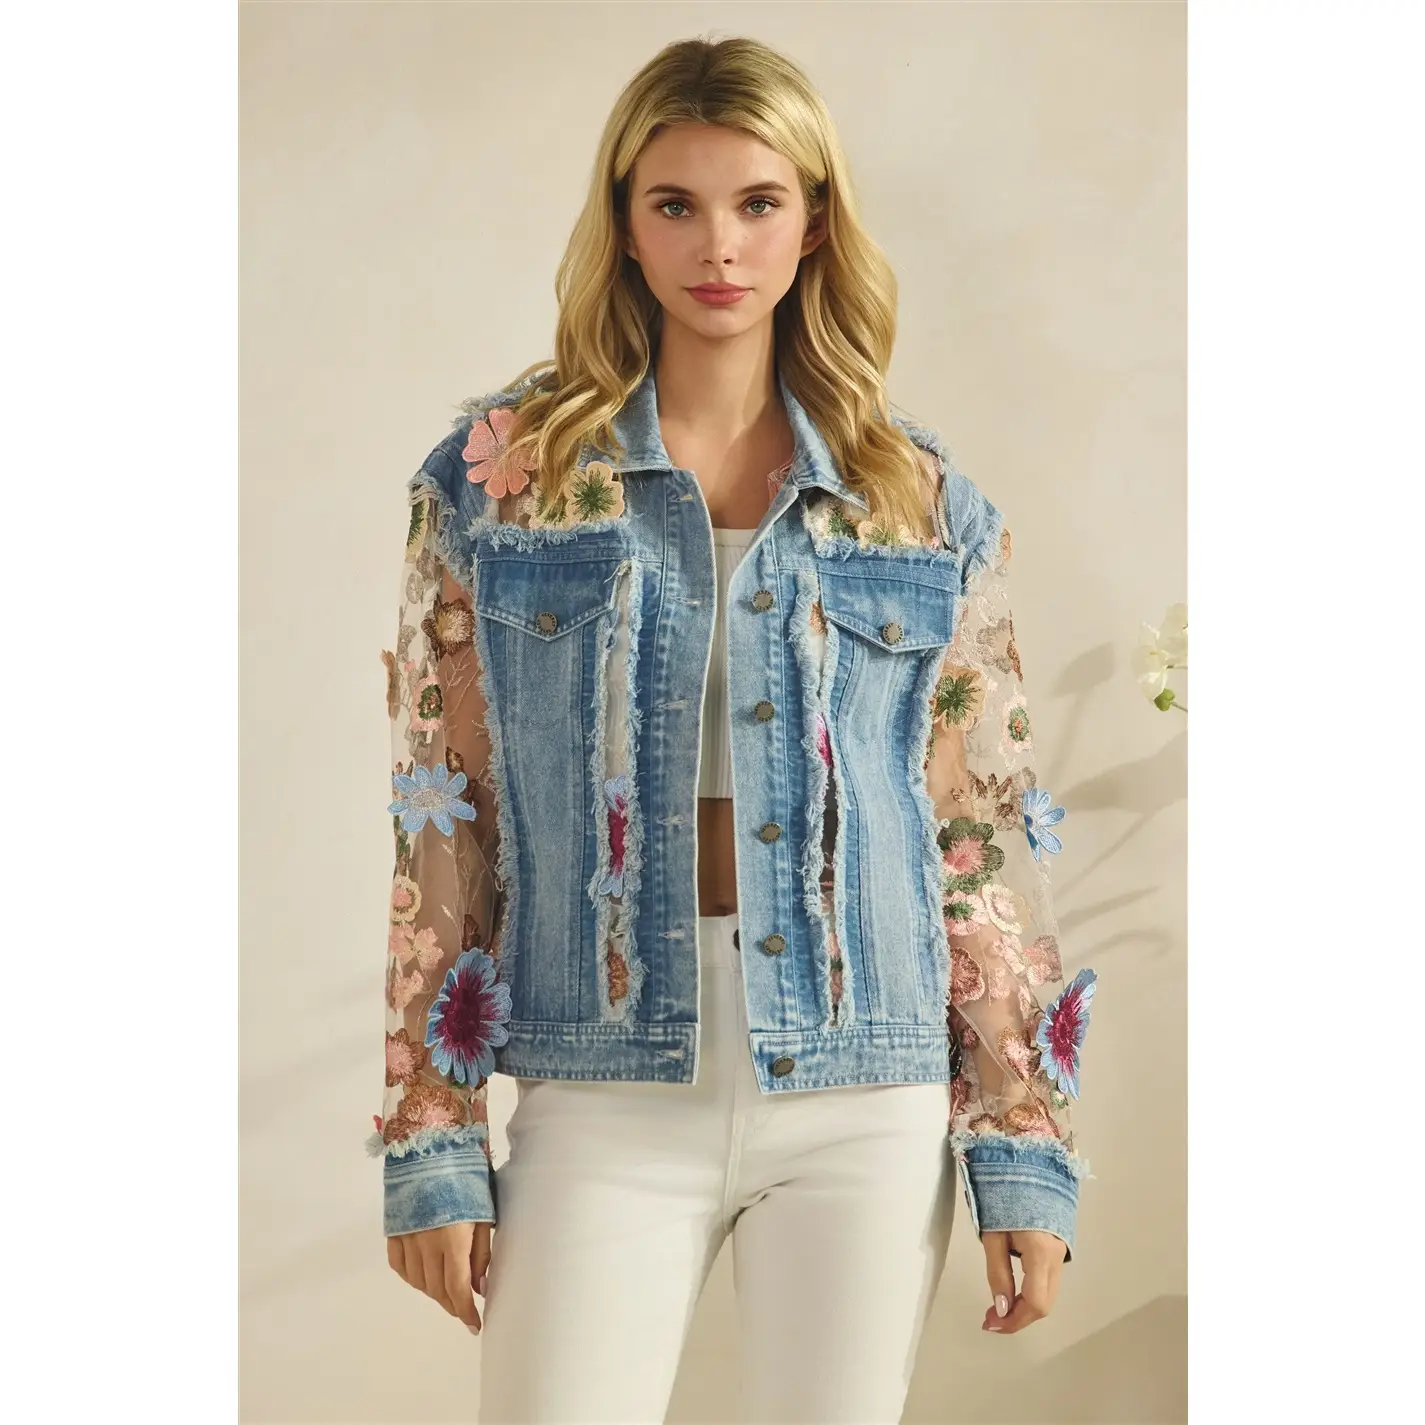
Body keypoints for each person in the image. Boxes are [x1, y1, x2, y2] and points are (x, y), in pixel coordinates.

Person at [372, 34, 1098, 1425]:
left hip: (867, 1089)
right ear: (625, 224)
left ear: (813, 222)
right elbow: (442, 812)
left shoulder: (917, 502)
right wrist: (431, 1131)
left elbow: (976, 838)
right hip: (602, 1084)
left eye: (758, 202)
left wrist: (1020, 1142)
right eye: (677, 204)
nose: (719, 245)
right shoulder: (501, 485)